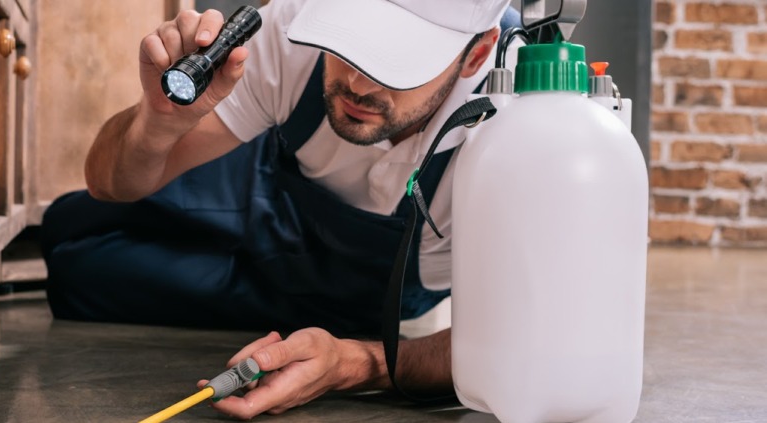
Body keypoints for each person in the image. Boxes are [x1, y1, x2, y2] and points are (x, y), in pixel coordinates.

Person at [40, 0, 519, 418]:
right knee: (70, 227)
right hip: (271, 193)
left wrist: (356, 364)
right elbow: (108, 184)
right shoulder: (291, 30)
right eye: (348, 42)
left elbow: (520, 344)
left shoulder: (527, 128)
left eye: (396, 61)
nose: (356, 81)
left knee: (86, 275)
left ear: (476, 54)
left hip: (362, 299)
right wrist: (157, 122)